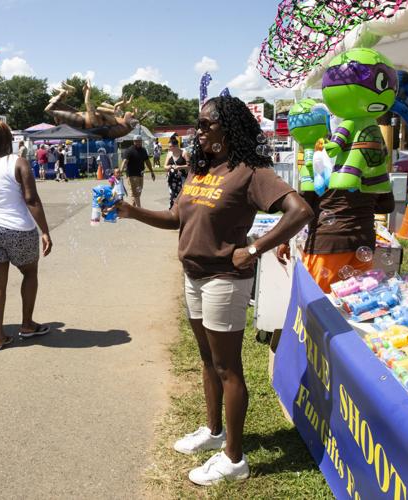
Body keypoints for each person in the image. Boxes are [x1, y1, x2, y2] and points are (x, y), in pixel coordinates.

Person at [111, 96, 312, 485]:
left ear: (228, 129)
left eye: (206, 125)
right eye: (198, 125)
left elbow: (300, 210)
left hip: (224, 279)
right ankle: (214, 431)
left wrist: (254, 249)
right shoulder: (200, 171)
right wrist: (131, 211)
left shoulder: (251, 172)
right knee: (208, 360)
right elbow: (176, 217)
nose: (198, 132)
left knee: (227, 367)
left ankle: (234, 459)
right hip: (194, 274)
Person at [0, 121, 53, 350]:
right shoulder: (19, 163)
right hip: (19, 230)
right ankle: (27, 324)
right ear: (8, 141)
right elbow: (31, 199)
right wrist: (45, 231)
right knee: (29, 272)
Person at [277, 189, 395, 291]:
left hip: (328, 242)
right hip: (363, 241)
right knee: (354, 300)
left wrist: (284, 240)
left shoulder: (319, 164)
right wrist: (360, 206)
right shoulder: (374, 165)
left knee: (316, 301)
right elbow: (387, 205)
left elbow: (301, 208)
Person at [120, 135, 155, 208]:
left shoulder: (143, 150)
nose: (138, 143)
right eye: (136, 141)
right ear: (134, 142)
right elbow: (125, 161)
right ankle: (139, 208)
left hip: (140, 174)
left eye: (140, 141)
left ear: (141, 142)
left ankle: (133, 210)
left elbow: (147, 161)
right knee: (135, 192)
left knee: (137, 192)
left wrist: (152, 171)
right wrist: (120, 172)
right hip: (132, 175)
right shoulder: (129, 150)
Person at [164, 136, 189, 209]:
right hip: (172, 178)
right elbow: (165, 166)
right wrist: (169, 167)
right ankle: (172, 211)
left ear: (176, 146)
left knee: (182, 196)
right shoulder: (169, 154)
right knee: (173, 195)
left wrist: (180, 167)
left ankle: (182, 211)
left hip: (182, 178)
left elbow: (190, 166)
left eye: (170, 146)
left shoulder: (184, 153)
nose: (169, 148)